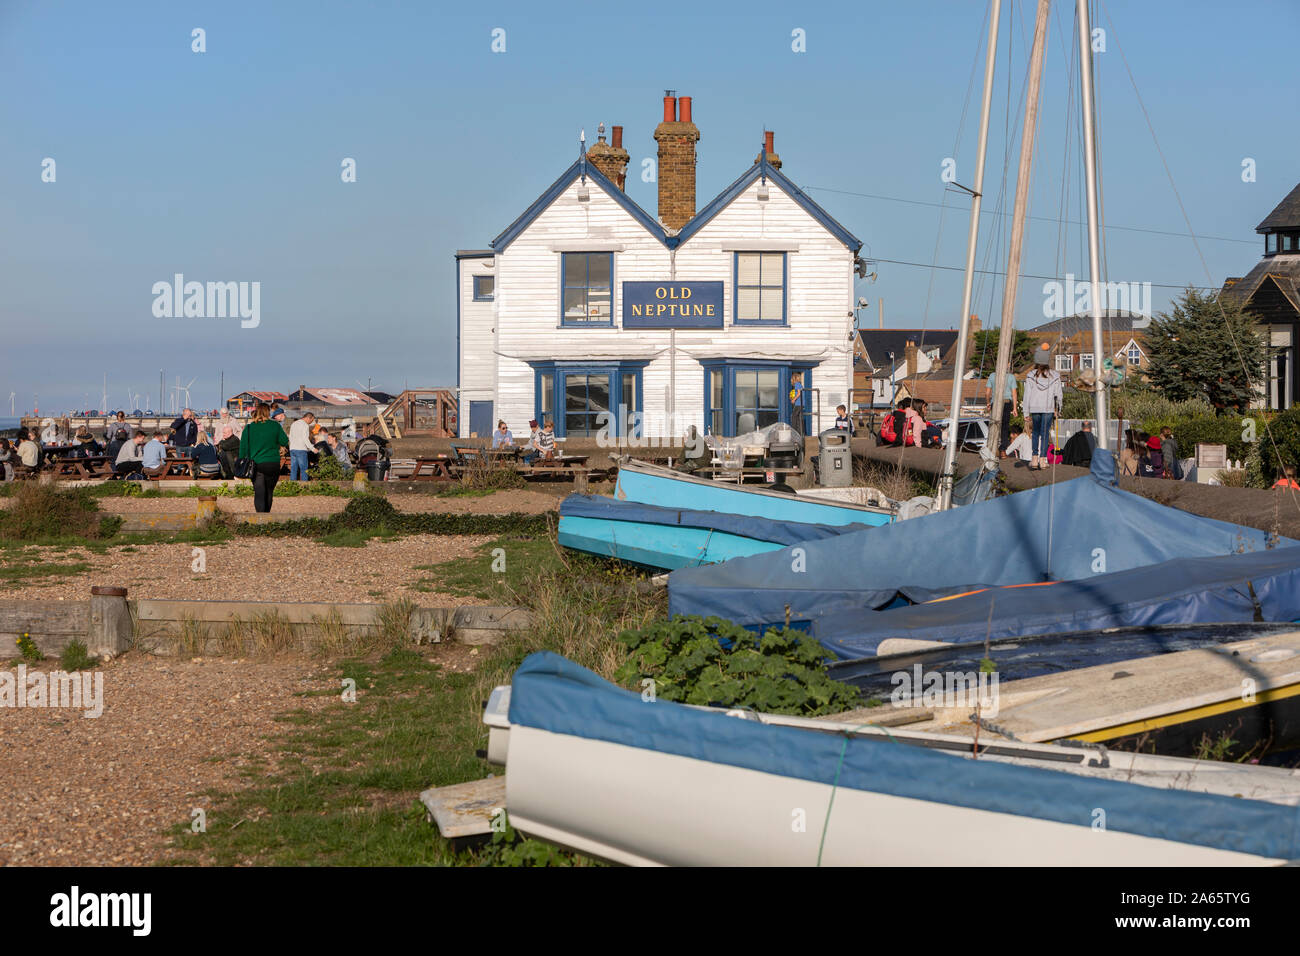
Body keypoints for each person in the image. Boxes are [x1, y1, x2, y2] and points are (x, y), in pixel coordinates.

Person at [239, 403, 290, 512]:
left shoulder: (248, 428)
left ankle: (260, 519)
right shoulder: (275, 425)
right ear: (268, 412)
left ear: (256, 412)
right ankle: (267, 517)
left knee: (259, 493)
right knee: (269, 492)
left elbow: (243, 448)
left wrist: (240, 464)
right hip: (273, 463)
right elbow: (284, 441)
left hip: (257, 464)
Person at [1022, 344, 1062, 470]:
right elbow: (1058, 395)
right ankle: (1043, 460)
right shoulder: (1054, 376)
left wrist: (1025, 413)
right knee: (1045, 434)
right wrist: (1059, 408)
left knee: (1035, 433)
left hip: (1034, 408)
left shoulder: (1031, 376)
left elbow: (1026, 395)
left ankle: (1034, 459)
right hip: (1048, 408)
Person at [985, 367, 1019, 453]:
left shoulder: (992, 376)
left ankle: (992, 447)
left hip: (995, 402)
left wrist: (988, 403)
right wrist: (1015, 408)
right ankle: (1003, 449)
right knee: (1004, 426)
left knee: (994, 424)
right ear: (1007, 364)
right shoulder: (1011, 377)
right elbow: (1014, 393)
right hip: (1006, 402)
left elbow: (987, 392)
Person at [288, 412, 315, 481]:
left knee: (294, 469)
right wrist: (312, 448)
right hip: (301, 449)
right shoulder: (305, 425)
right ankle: (304, 486)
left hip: (292, 449)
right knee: (304, 469)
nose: (311, 422)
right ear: (308, 418)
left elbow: (290, 437)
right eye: (311, 420)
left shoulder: (294, 424)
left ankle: (292, 485)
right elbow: (305, 438)